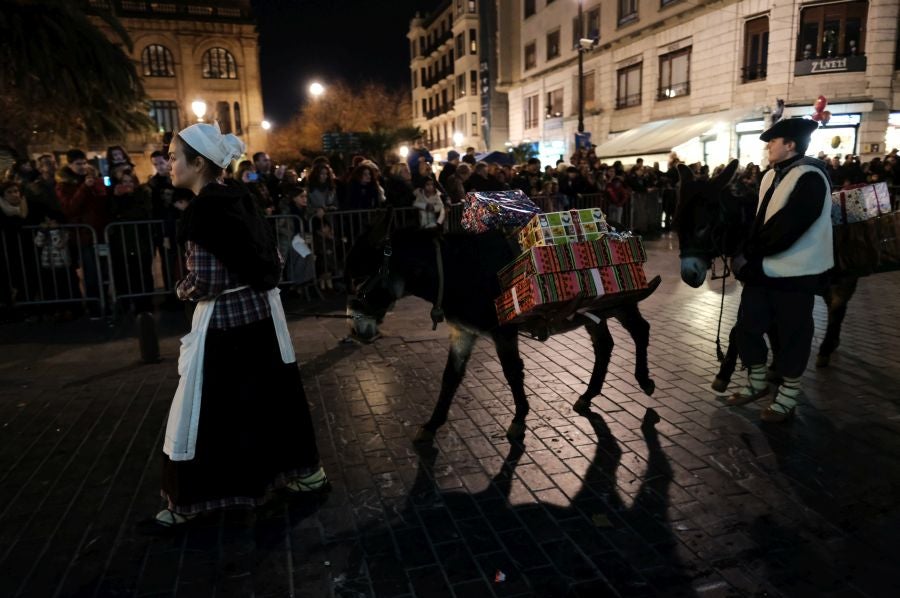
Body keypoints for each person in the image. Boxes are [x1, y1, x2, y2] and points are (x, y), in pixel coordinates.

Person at [149, 122, 326, 531]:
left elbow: (206, 281)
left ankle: (196, 501)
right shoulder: (241, 197)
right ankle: (304, 474)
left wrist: (180, 290)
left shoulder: (202, 211)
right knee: (273, 404)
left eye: (175, 157)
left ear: (198, 163)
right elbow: (272, 258)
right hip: (262, 318)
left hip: (225, 330)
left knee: (212, 414)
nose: (169, 164)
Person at [728, 118, 832, 423]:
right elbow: (760, 220)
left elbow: (790, 226)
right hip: (764, 268)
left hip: (797, 271)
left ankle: (788, 394)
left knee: (793, 335)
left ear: (790, 144)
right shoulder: (770, 176)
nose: (768, 146)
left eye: (774, 141)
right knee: (747, 327)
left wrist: (751, 254)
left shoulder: (811, 177)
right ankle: (758, 383)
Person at [56, 149, 109, 317]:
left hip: (99, 232)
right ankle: (94, 306)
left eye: (84, 163)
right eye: (78, 164)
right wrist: (84, 188)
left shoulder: (92, 178)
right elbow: (69, 208)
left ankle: (105, 303)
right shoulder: (64, 184)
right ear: (70, 164)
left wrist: (97, 187)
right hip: (83, 235)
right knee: (91, 273)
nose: (82, 167)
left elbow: (102, 203)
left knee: (104, 272)